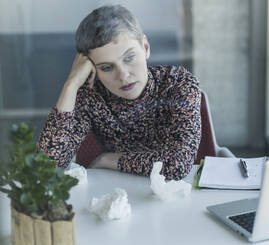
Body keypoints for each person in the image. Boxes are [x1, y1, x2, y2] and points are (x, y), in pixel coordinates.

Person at [37, 5, 201, 180]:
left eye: (129, 58)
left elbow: (178, 164)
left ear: (145, 47)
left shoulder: (178, 83)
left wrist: (107, 160)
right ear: (93, 70)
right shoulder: (92, 95)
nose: (123, 75)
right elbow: (45, 169)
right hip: (114, 192)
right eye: (107, 67)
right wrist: (71, 84)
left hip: (177, 192)